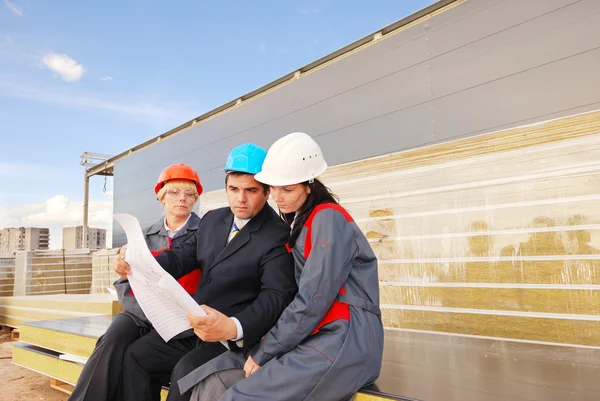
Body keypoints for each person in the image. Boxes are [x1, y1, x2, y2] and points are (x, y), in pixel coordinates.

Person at [180, 132, 384, 401]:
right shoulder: (301, 223)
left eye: (287, 189)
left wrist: (267, 350)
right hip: (317, 335)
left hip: (346, 339)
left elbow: (313, 299)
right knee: (212, 381)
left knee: (239, 396)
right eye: (273, 187)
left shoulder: (328, 219)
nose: (277, 197)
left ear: (310, 185)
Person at [115, 143, 297, 401]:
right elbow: (179, 257)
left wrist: (233, 327)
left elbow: (275, 296)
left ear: (267, 192)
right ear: (226, 187)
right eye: (233, 189)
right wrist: (135, 261)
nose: (240, 199)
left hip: (233, 337)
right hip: (195, 327)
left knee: (185, 374)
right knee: (136, 355)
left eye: (251, 191)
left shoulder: (277, 234)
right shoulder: (213, 220)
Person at [69, 163, 204, 401]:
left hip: (182, 317)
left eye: (189, 193)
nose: (181, 199)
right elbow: (124, 284)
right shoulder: (142, 236)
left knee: (136, 356)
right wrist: (124, 272)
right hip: (140, 311)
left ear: (195, 199)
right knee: (112, 340)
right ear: (162, 196)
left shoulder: (206, 234)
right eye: (174, 192)